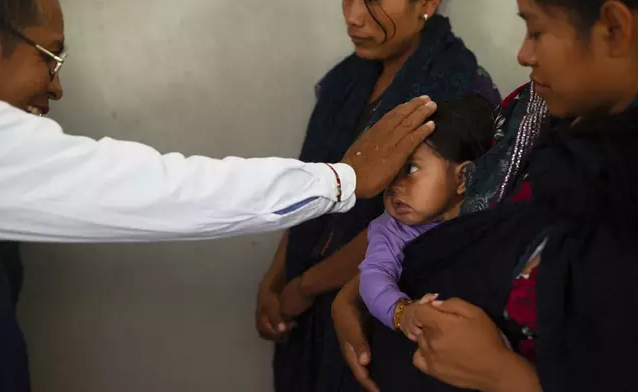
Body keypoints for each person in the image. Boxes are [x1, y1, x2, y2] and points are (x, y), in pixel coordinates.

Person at [0, 0, 438, 390]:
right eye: (50, 57)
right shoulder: (346, 83)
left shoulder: (450, 88)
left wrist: (314, 286)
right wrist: (337, 188)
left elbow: (419, 222)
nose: (57, 87)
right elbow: (159, 189)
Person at [338, 0, 638, 391]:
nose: (523, 53)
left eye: (537, 31)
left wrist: (507, 377)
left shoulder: (614, 180)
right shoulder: (528, 112)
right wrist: (358, 294)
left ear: (614, 29)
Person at [257, 1, 501, 391]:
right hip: (305, 305)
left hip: (379, 317)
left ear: (426, 3)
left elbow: (408, 226)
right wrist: (274, 280)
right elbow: (316, 183)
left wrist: (303, 288)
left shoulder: (456, 94)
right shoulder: (347, 81)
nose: (353, 16)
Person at [358, 94, 494, 340]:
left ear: (462, 177)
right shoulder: (390, 229)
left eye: (410, 169)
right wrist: (402, 312)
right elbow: (373, 275)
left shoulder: (490, 216)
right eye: (389, 172)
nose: (394, 185)